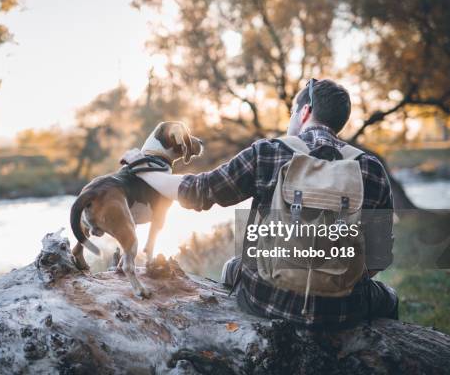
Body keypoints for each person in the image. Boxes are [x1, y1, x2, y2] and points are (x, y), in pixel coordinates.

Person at [123, 79, 398, 328]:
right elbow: (378, 260)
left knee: (234, 266)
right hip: (343, 310)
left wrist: (142, 166)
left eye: (292, 112)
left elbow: (198, 191)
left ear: (305, 112)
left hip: (266, 299)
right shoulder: (370, 168)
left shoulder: (268, 152)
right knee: (389, 297)